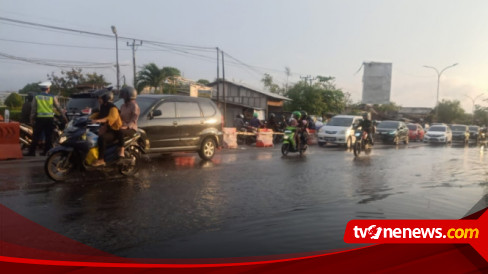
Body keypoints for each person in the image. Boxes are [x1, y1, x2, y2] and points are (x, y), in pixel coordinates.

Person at [27, 81, 68, 156]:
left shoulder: (37, 97)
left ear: (41, 89)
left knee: (36, 135)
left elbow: (33, 109)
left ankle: (31, 152)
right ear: (48, 89)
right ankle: (46, 151)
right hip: (49, 119)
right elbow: (58, 108)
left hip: (39, 119)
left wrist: (31, 119)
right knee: (48, 135)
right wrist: (64, 117)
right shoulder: (52, 97)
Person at [90, 90, 122, 166]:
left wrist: (98, 120)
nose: (98, 100)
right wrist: (87, 118)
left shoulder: (112, 108)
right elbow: (99, 114)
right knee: (92, 136)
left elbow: (111, 118)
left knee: (102, 138)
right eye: (98, 98)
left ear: (105, 98)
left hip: (114, 131)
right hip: (106, 128)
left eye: (100, 98)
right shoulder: (103, 106)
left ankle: (101, 160)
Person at [118, 86, 140, 157]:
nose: (123, 97)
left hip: (131, 128)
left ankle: (121, 151)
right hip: (123, 126)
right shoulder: (122, 106)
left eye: (124, 95)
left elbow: (134, 119)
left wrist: (126, 127)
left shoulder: (134, 106)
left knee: (120, 132)